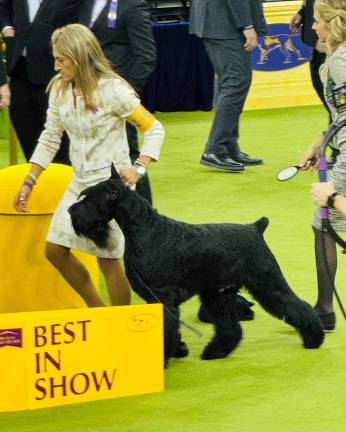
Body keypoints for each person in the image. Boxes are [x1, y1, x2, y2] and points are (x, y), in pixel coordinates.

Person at [13, 24, 165, 308]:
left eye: (61, 59)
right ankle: (98, 313)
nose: (55, 65)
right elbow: (49, 137)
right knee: (55, 250)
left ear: (79, 57)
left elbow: (154, 129)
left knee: (108, 261)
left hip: (111, 191)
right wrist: (29, 181)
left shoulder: (115, 91)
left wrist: (139, 167)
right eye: (55, 58)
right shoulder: (59, 89)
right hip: (79, 185)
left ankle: (117, 328)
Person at [79, 0, 156, 204]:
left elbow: (146, 56)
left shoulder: (132, 5)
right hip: (88, 97)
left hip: (118, 100)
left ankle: (147, 215)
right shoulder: (83, 4)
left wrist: (125, 94)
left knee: (129, 154)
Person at [300, 0, 346, 331]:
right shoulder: (337, 57)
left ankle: (324, 310)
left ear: (331, 23)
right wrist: (319, 144)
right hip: (340, 146)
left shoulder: (341, 62)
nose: (313, 26)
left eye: (316, 21)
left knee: (325, 224)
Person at [189, 0, 267, 172]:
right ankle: (216, 148)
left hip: (217, 20)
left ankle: (228, 147)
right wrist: (246, 24)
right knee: (236, 82)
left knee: (229, 83)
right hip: (225, 22)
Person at [0, 0, 79, 164]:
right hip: (19, 74)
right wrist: (6, 28)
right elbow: (3, 6)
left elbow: (81, 20)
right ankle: (38, 186)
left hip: (57, 77)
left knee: (61, 154)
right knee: (31, 149)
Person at [290, 0, 339, 166]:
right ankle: (335, 148)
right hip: (328, 40)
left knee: (336, 101)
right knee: (334, 102)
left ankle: (338, 150)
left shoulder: (340, 62)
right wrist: (303, 13)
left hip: (333, 41)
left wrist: (329, 35)